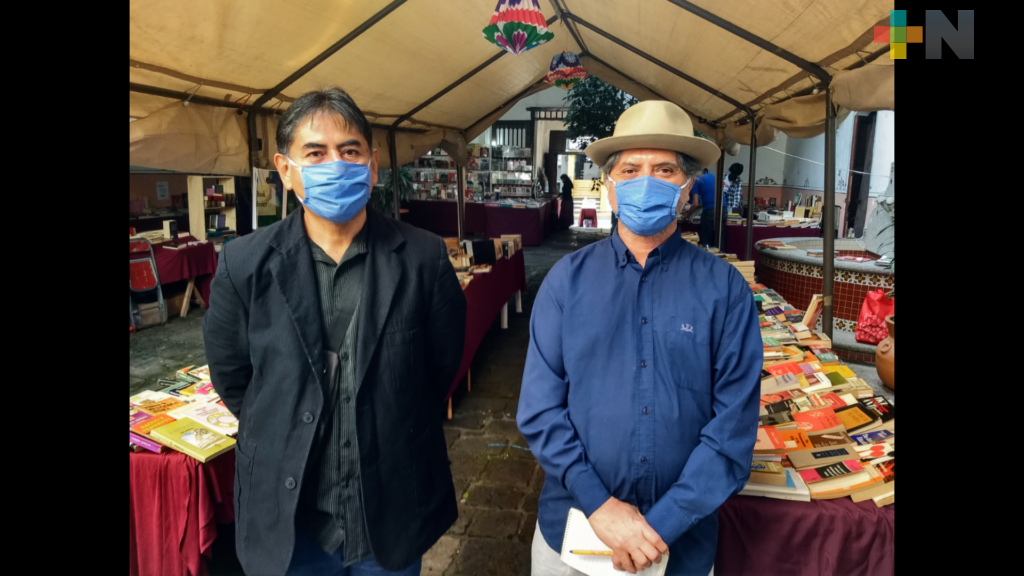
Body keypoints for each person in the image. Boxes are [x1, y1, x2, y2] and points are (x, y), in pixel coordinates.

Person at [203, 87, 467, 576]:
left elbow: (439, 368)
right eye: (315, 153)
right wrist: (287, 420)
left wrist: (389, 419)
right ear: (285, 171)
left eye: (349, 151)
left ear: (372, 165)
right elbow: (234, 376)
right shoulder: (244, 264)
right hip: (290, 521)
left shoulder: (423, 259)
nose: (335, 165)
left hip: (389, 512)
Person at [518, 100, 762, 576]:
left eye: (664, 170)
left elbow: (732, 431)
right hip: (574, 532)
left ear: (687, 188)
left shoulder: (725, 290)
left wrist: (662, 524)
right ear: (609, 186)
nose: (645, 181)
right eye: (630, 170)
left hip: (680, 546)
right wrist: (601, 506)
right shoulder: (565, 282)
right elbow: (540, 409)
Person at [682, 169, 724, 248]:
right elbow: (708, 200)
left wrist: (686, 216)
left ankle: (706, 255)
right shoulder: (713, 176)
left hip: (709, 212)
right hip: (723, 209)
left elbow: (695, 204)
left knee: (706, 241)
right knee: (719, 239)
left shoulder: (696, 181)